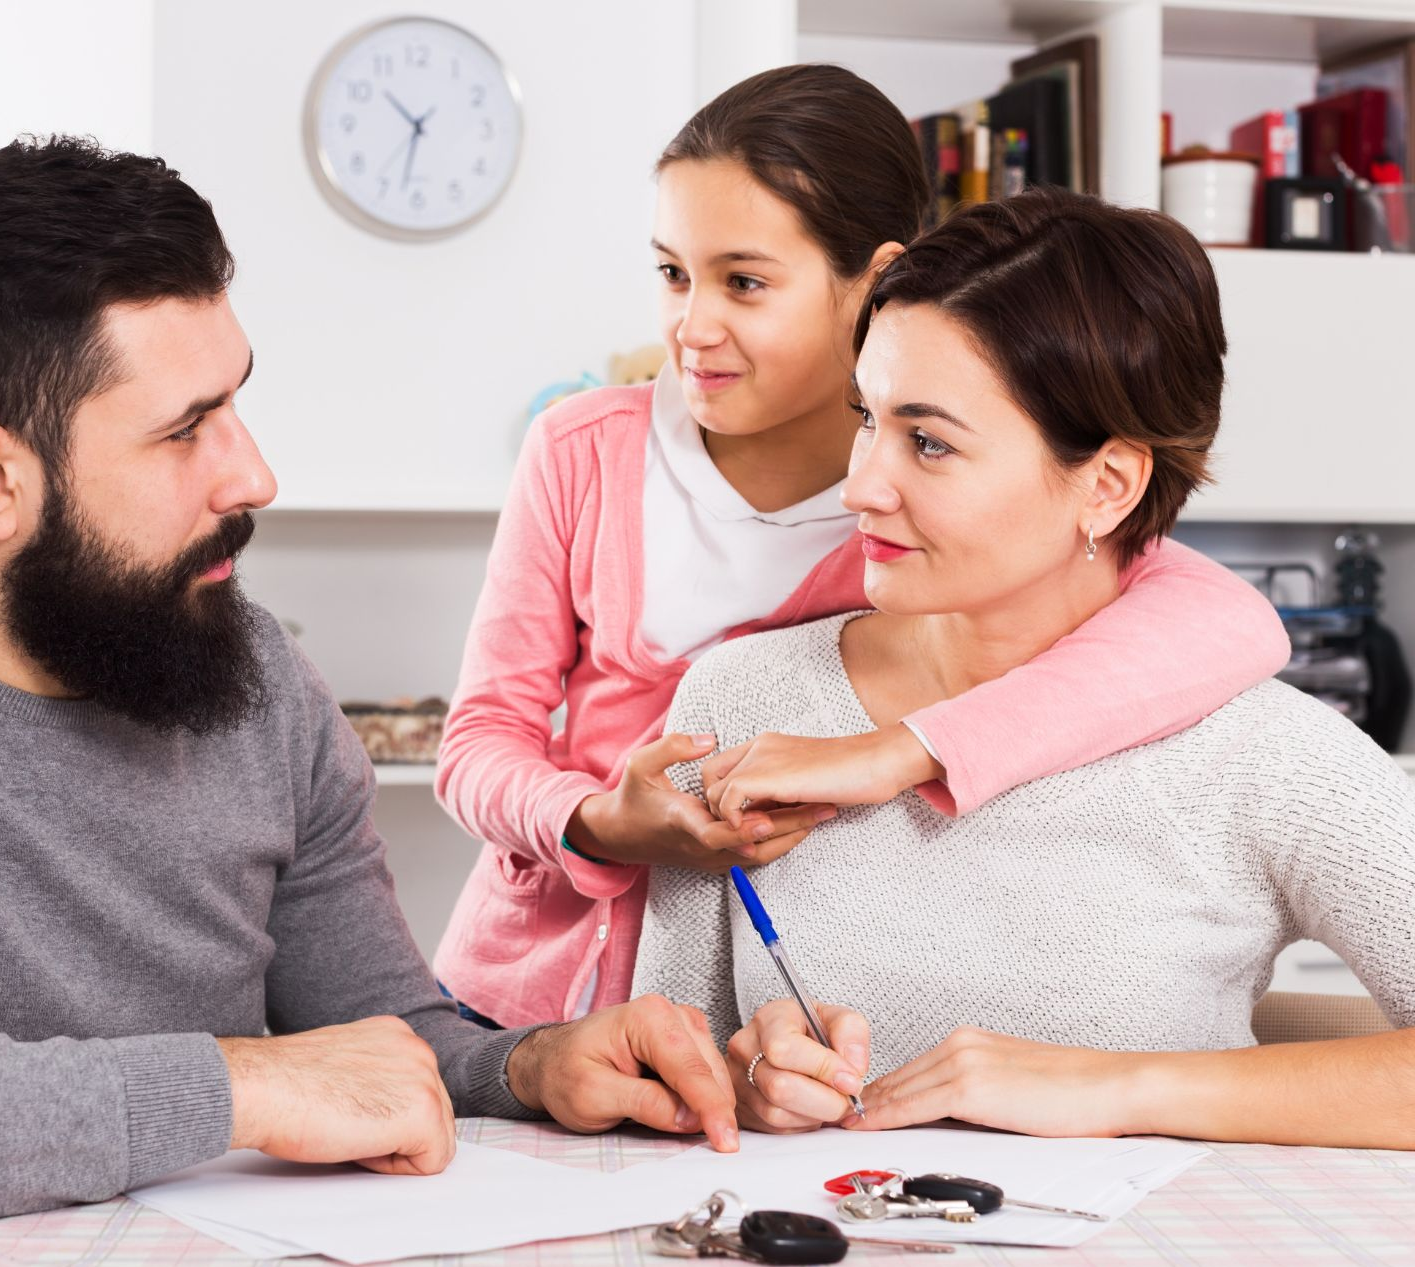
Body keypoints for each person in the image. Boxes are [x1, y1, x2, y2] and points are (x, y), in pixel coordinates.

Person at [0, 137, 739, 1241]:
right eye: (183, 429)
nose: (253, 472)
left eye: (239, 400)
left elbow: (376, 1039)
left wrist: (531, 1066)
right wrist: (230, 1084)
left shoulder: (261, 684)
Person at [430, 64, 1291, 1031]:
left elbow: (1225, 622)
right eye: (673, 274)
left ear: (876, 280)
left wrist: (896, 754)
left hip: (751, 1011)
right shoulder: (584, 449)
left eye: (744, 282)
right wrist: (594, 821)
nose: (691, 327)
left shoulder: (927, 506)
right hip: (518, 994)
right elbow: (476, 742)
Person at [635, 187, 1415, 1150]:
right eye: (866, 418)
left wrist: (1122, 1091)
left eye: (929, 442)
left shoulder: (1261, 757)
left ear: (1107, 485)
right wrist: (745, 1082)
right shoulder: (741, 702)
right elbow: (666, 1067)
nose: (861, 484)